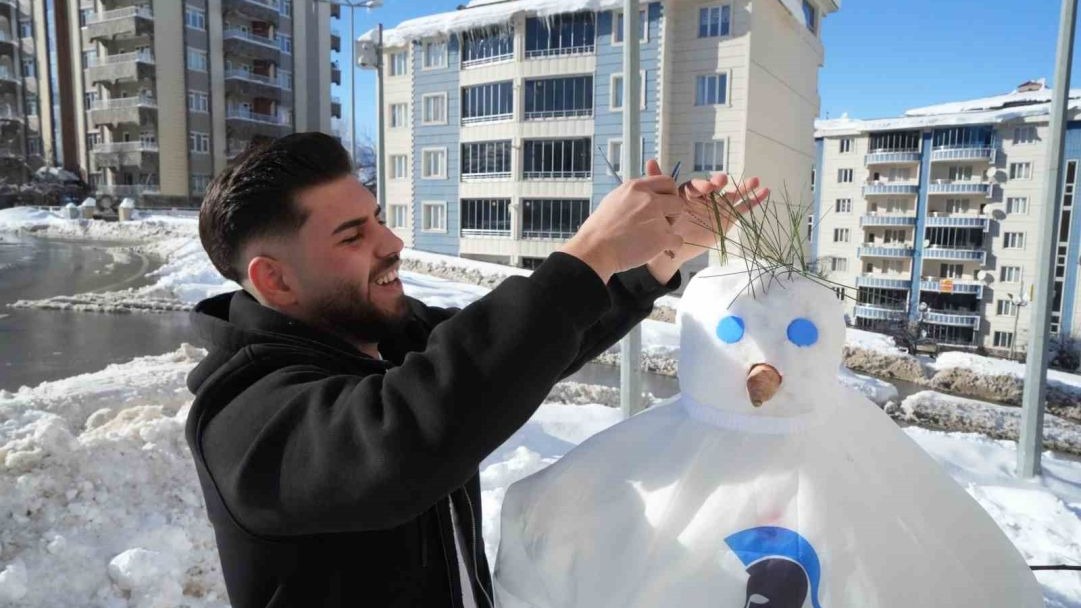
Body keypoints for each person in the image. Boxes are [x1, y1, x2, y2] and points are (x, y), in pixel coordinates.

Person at [185, 132, 767, 608]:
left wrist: (658, 259)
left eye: (378, 218)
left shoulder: (385, 337)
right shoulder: (245, 414)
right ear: (275, 280)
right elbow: (412, 434)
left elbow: (522, 352)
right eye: (352, 235)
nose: (393, 241)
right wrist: (592, 251)